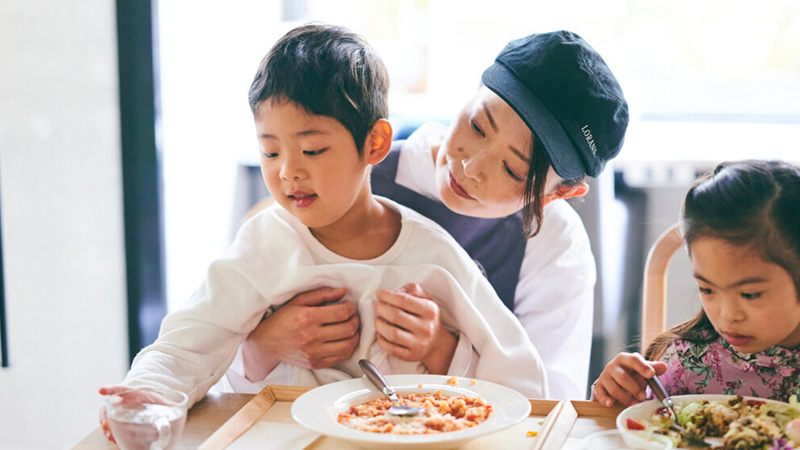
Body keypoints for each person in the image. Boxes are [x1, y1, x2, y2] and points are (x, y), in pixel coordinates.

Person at [99, 23, 547, 443]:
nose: (288, 172)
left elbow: (520, 380)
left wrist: (443, 353)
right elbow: (188, 344)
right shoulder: (265, 244)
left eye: (312, 149)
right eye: (270, 152)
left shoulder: (432, 255)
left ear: (374, 143)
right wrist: (148, 393)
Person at [232, 30, 630, 400]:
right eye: (477, 125)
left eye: (512, 170)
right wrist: (264, 346)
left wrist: (443, 351)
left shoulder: (554, 245)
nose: (471, 166)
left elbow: (548, 405)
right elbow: (214, 357)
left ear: (558, 194)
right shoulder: (351, 169)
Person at [592, 160, 800, 406]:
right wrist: (615, 394)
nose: (727, 316)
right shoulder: (689, 362)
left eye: (750, 294)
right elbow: (638, 421)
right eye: (707, 289)